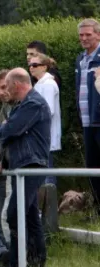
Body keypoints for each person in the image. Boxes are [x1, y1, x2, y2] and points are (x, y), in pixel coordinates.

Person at [0, 68, 51, 267]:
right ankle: (36, 264)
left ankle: (17, 265)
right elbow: (7, 132)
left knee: (14, 214)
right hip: (24, 165)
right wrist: (5, 129)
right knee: (30, 216)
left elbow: (9, 131)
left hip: (31, 165)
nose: (5, 90)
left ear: (16, 84)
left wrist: (3, 129)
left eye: (7, 85)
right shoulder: (22, 105)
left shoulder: (32, 103)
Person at [75, 18, 100, 213]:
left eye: (88, 34)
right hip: (87, 121)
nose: (84, 38)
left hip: (99, 119)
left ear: (98, 35)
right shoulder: (80, 59)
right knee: (92, 166)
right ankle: (98, 208)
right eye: (81, 35)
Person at [30, 54, 62, 185]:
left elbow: (49, 110)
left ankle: (49, 204)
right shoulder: (40, 84)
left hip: (44, 134)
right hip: (39, 134)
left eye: (35, 65)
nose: (31, 68)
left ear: (44, 67)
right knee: (42, 170)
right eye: (30, 65)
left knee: (46, 171)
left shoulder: (48, 84)